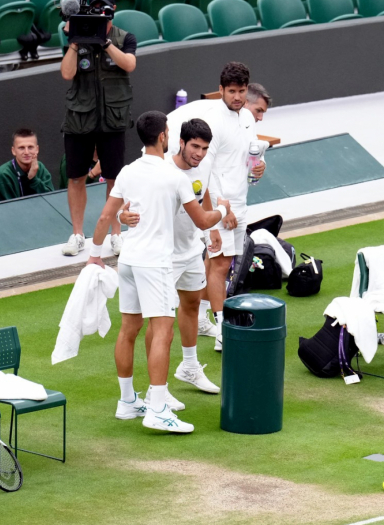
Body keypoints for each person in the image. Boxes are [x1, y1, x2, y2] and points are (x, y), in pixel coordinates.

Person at [88, 111, 229, 433]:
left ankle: (127, 402)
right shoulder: (174, 177)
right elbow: (203, 221)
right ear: (164, 136)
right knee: (163, 332)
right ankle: (158, 409)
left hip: (129, 261)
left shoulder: (127, 171)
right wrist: (223, 209)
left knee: (128, 329)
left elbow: (105, 217)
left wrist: (94, 256)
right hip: (156, 264)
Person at [122, 119, 222, 403]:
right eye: (195, 147)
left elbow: (204, 195)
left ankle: (189, 366)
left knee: (191, 304)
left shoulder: (204, 165)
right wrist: (122, 217)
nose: (199, 154)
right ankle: (158, 390)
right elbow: (128, 204)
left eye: (204, 148)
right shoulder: (160, 169)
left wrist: (212, 230)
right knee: (157, 326)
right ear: (180, 142)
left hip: (191, 250)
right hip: (162, 258)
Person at [59, 0, 137, 257]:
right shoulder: (77, 37)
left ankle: (116, 234)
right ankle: (77, 234)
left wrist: (105, 43)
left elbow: (129, 64)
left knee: (115, 179)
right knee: (76, 177)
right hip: (80, 118)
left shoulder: (125, 37)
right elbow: (67, 74)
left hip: (113, 118)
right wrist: (75, 41)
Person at [200, 62, 266, 351]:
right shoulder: (213, 122)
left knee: (214, 261)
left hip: (240, 200)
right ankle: (221, 329)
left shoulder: (248, 118)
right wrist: (220, 209)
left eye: (241, 91)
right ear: (221, 90)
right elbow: (204, 169)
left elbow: (250, 155)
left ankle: (201, 317)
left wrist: (260, 166)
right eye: (231, 92)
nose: (237, 97)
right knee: (221, 264)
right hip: (220, 205)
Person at [0, 129, 54, 201]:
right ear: (13, 151)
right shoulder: (3, 175)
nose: (26, 152)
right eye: (21, 148)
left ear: (37, 149)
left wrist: (33, 179)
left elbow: (51, 200)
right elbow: (9, 206)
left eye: (30, 147)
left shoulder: (40, 168)